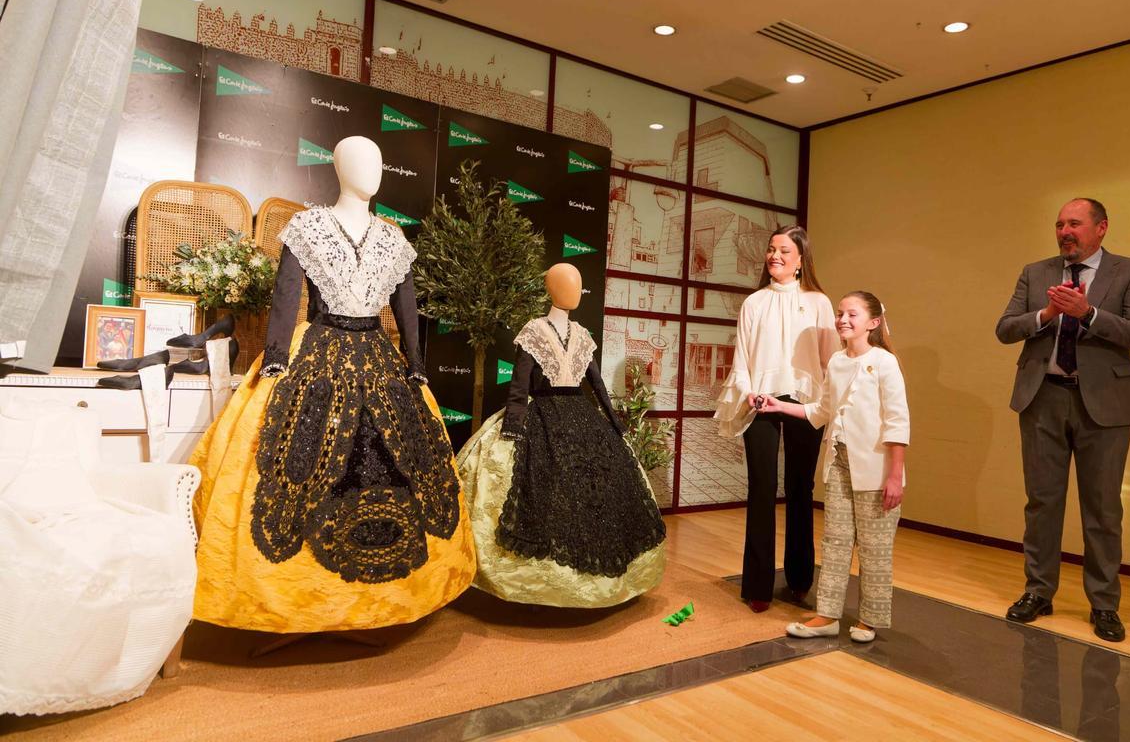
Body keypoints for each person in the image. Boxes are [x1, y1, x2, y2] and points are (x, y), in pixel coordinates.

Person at [189, 137, 475, 633]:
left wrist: (416, 363)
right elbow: (287, 297)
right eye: (363, 162)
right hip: (318, 350)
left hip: (379, 355)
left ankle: (383, 599)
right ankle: (301, 600)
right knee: (294, 455)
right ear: (340, 168)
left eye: (380, 161)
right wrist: (276, 359)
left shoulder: (393, 237)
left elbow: (406, 309)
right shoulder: (309, 227)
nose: (375, 171)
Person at [456, 263, 666, 607]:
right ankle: (544, 581)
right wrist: (513, 428)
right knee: (544, 486)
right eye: (568, 283)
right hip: (542, 414)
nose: (576, 290)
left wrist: (613, 422)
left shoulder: (582, 335)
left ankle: (603, 577)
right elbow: (520, 384)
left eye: (579, 283)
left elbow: (596, 383)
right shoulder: (533, 331)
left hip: (582, 415)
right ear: (552, 289)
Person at [996, 198, 1130, 643]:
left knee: (1103, 509)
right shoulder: (1036, 272)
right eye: (1060, 224)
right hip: (1042, 398)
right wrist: (1046, 315)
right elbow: (1005, 328)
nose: (1065, 231)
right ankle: (1038, 591)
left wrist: (1090, 315)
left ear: (1101, 228)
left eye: (1075, 224)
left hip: (1105, 404)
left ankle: (1104, 604)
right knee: (1042, 502)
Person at [759, 291, 909, 642]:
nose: (842, 319)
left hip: (877, 471)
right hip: (839, 465)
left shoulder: (885, 363)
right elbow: (820, 411)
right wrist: (778, 407)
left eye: (851, 314)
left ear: (873, 323)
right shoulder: (838, 362)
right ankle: (827, 615)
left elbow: (898, 421)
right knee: (836, 542)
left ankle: (869, 620)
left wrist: (895, 476)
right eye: (840, 313)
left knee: (874, 548)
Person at [714, 225, 838, 612]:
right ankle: (758, 586)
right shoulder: (754, 303)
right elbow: (743, 357)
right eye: (771, 250)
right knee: (761, 489)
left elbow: (829, 359)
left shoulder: (819, 302)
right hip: (760, 399)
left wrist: (829, 402)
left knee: (800, 489)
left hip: (805, 401)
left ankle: (800, 578)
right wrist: (748, 391)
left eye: (784, 251)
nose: (775, 256)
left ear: (801, 260)